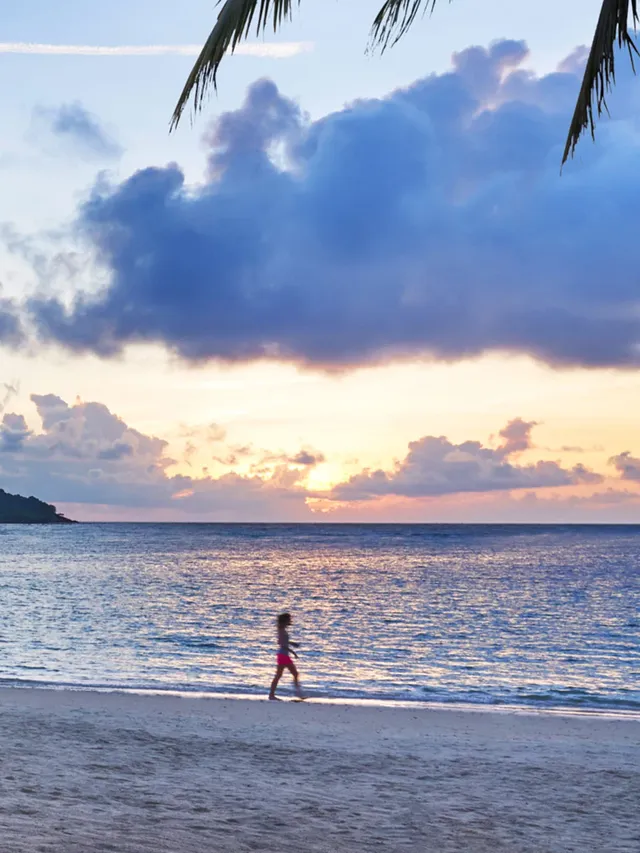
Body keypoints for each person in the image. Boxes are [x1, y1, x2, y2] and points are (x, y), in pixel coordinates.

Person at [269, 612, 304, 700]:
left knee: (283, 675)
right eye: (289, 619)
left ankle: (272, 695)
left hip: (283, 655)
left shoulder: (282, 630)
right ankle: (298, 694)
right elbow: (281, 643)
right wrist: (293, 652)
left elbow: (283, 641)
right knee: (292, 674)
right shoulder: (281, 630)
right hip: (283, 655)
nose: (290, 621)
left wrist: (292, 643)